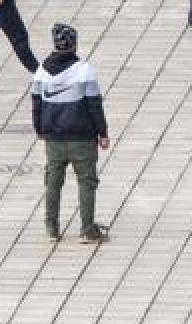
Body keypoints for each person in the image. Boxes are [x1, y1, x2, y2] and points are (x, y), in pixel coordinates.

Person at [31, 23, 110, 243]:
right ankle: (88, 229)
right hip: (81, 138)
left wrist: (40, 129)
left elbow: (36, 103)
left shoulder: (41, 71)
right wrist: (102, 133)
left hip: (53, 139)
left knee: (53, 182)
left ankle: (52, 228)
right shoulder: (84, 70)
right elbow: (94, 104)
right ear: (74, 45)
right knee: (87, 182)